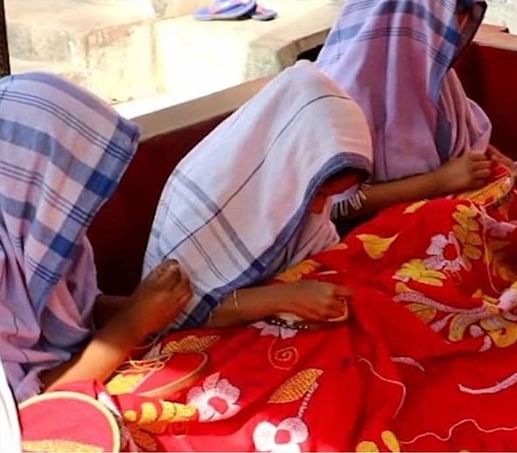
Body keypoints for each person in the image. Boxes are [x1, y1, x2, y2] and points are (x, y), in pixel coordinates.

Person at [0, 73, 192, 402]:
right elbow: (28, 407)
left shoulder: (41, 237)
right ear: (33, 185)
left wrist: (149, 302)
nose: (91, 203)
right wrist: (134, 322)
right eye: (74, 185)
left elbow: (81, 309)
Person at [142, 61, 374, 329]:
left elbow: (319, 253)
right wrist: (279, 297)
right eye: (318, 194)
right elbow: (173, 310)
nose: (318, 209)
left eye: (331, 196)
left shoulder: (293, 180)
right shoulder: (210, 195)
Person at [315, 0, 517, 222]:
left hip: (461, 193)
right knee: (449, 218)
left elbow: (459, 138)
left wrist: (491, 158)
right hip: (402, 221)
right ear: (409, 22)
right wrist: (437, 182)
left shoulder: (428, 69)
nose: (456, 29)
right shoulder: (339, 100)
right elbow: (335, 206)